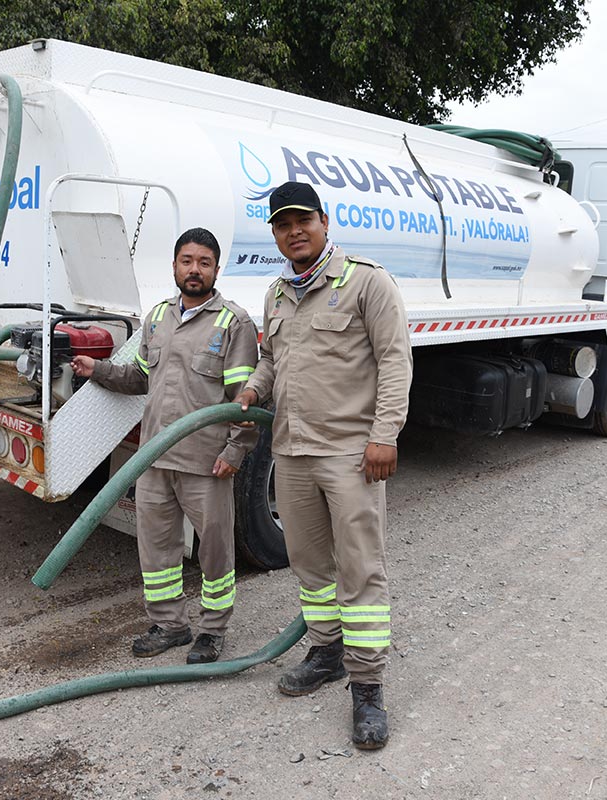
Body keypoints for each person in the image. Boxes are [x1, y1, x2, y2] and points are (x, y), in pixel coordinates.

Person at [235, 181, 411, 750]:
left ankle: (367, 687)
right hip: (291, 451)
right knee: (309, 565)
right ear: (276, 234)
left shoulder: (366, 281)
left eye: (302, 220)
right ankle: (327, 652)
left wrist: (384, 436)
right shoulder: (278, 294)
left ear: (324, 221)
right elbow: (271, 360)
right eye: (283, 225)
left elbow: (395, 361)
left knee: (360, 568)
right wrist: (252, 389)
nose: (294, 232)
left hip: (349, 453)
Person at [71, 227, 258, 664]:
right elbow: (139, 379)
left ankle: (213, 630)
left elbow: (246, 400)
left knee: (214, 549)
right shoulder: (155, 317)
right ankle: (170, 624)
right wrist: (97, 369)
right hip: (154, 458)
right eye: (187, 261)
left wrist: (234, 452)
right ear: (174, 265)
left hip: (205, 462)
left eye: (204, 263)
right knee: (156, 547)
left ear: (216, 269)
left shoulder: (234, 323)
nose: (195, 270)